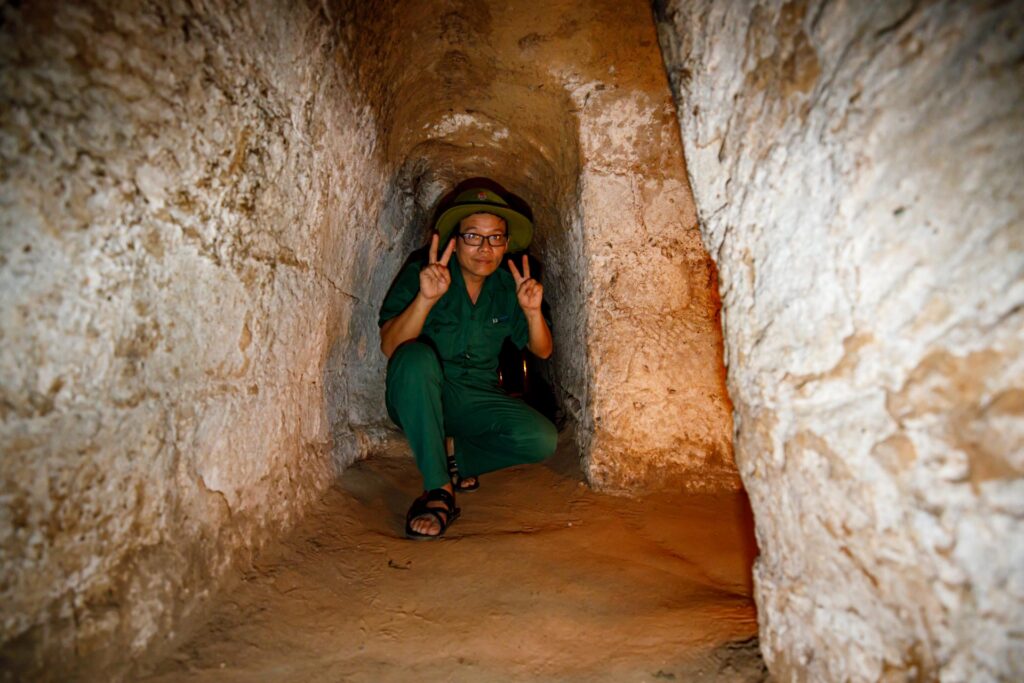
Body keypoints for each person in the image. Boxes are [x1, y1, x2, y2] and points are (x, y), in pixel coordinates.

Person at [378, 187, 558, 540]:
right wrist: (426, 300)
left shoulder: (509, 286)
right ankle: (439, 490)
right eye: (473, 236)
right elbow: (390, 346)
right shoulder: (423, 272)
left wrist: (533, 312)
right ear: (455, 241)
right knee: (415, 357)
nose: (485, 248)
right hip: (421, 392)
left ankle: (454, 454)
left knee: (541, 439)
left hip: (476, 398)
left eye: (495, 238)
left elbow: (543, 351)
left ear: (506, 244)